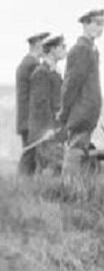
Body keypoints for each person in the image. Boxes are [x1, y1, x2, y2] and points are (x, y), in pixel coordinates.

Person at [60, 9, 104, 175]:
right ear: (85, 24)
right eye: (97, 23)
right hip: (80, 111)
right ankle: (68, 190)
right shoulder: (81, 50)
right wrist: (64, 113)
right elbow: (70, 85)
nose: (100, 28)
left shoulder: (91, 50)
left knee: (80, 151)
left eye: (103, 24)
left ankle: (73, 190)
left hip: (87, 112)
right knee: (76, 151)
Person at [27, 35, 66, 175]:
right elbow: (41, 106)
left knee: (54, 167)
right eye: (62, 47)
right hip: (46, 131)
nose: (65, 50)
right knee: (48, 167)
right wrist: (48, 129)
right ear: (52, 50)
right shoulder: (41, 73)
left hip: (56, 129)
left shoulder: (54, 73)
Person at [15, 31, 50, 176]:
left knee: (29, 155)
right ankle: (22, 187)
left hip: (25, 119)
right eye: (44, 44)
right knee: (30, 156)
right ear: (37, 45)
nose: (46, 48)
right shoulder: (33, 65)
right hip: (31, 120)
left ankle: (22, 187)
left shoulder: (25, 63)